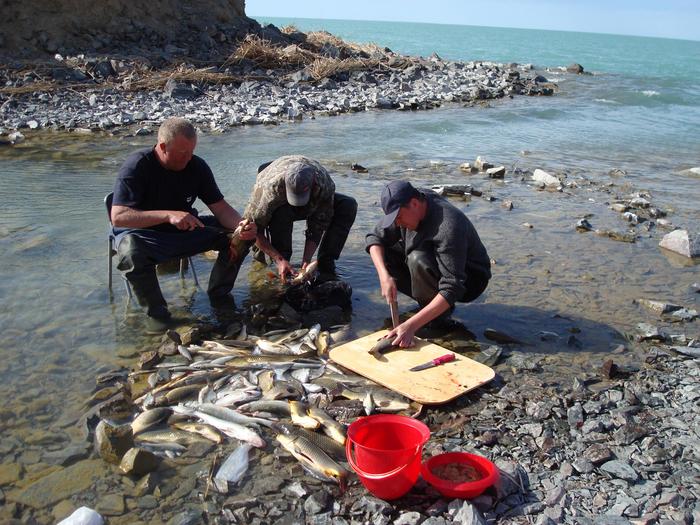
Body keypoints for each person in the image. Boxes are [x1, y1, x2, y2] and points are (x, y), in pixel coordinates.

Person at [111, 117, 256, 326]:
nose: (188, 158)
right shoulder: (137, 166)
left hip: (185, 231)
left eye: (191, 152)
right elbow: (119, 217)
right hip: (144, 236)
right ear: (162, 146)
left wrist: (243, 226)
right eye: (182, 153)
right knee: (131, 253)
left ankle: (218, 295)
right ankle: (160, 319)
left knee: (240, 236)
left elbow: (221, 208)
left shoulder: (196, 166)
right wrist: (168, 215)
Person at [366, 180, 491, 347]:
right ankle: (429, 308)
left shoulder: (448, 225)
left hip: (470, 278)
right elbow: (374, 238)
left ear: (415, 204)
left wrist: (411, 326)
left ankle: (438, 319)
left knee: (417, 258)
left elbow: (452, 287)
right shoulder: (409, 204)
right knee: (385, 253)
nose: (397, 223)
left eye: (399, 217)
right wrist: (384, 276)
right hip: (436, 261)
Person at [244, 155, 357, 280]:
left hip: (314, 195)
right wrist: (279, 259)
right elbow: (250, 230)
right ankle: (281, 264)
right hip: (278, 199)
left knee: (348, 205)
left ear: (313, 182)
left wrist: (306, 261)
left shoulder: (324, 183)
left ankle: (325, 262)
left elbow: (318, 225)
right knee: (280, 213)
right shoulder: (269, 189)